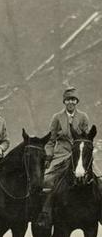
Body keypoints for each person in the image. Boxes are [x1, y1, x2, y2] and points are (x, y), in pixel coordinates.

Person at [38, 86, 91, 229]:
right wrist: (49, 154)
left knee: (98, 178)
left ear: (77, 101)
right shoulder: (56, 118)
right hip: (61, 154)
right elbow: (51, 139)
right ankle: (45, 213)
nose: (71, 103)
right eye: (68, 100)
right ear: (64, 102)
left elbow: (86, 138)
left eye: (73, 100)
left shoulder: (83, 117)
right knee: (47, 180)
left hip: (79, 154)